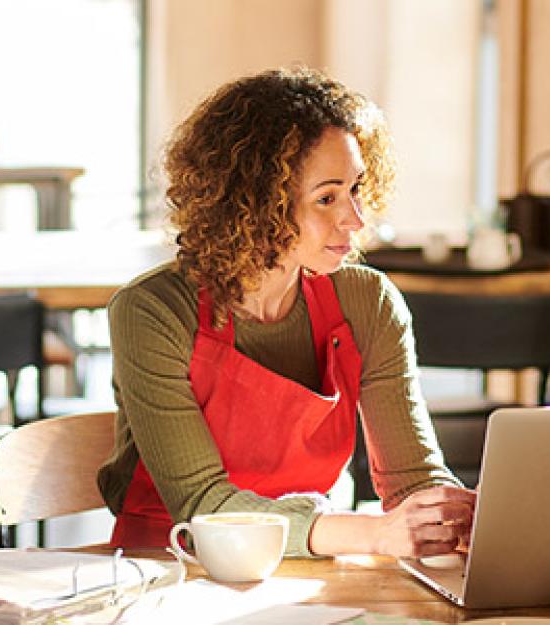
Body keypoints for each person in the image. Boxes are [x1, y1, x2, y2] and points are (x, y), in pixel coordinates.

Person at [97, 67, 475, 557]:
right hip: (169, 571)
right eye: (327, 198)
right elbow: (204, 505)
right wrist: (373, 534)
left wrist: (453, 515)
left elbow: (413, 479)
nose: (355, 219)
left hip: (309, 574)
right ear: (255, 204)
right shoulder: (152, 312)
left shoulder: (369, 302)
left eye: (356, 189)